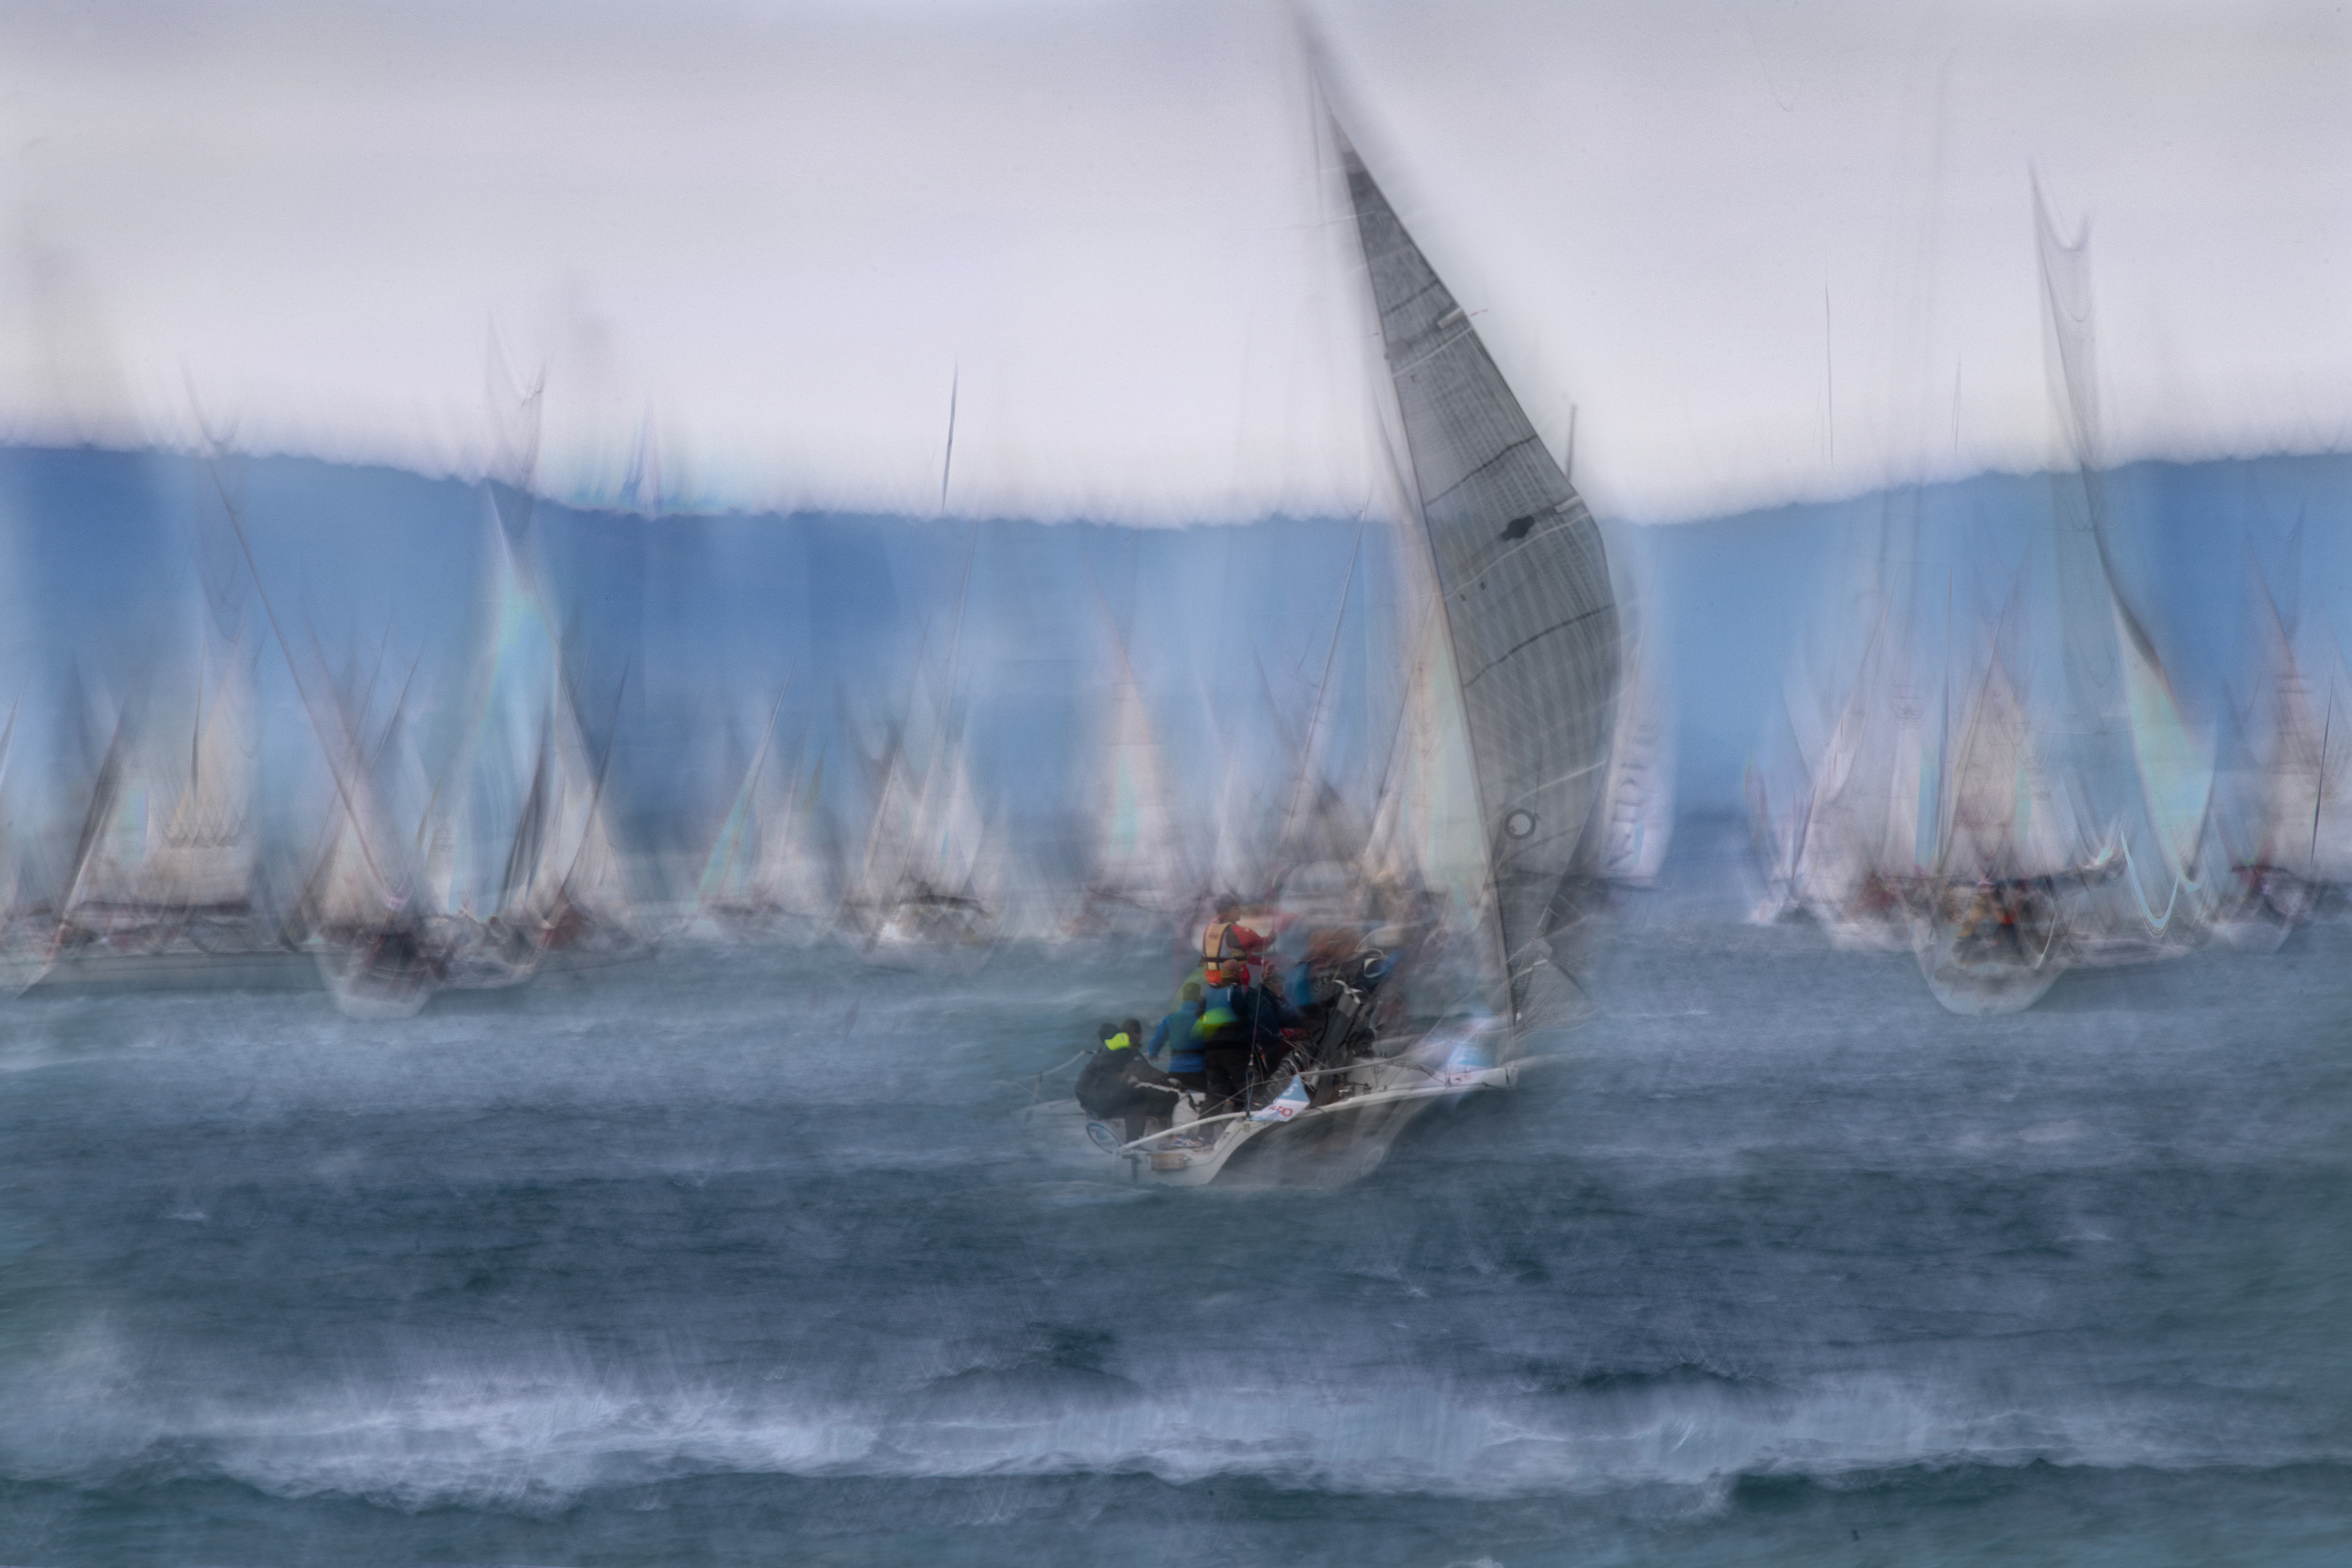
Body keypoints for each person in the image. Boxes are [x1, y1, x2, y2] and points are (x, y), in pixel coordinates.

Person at [1195, 961, 1306, 1118]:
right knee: (1251, 1088)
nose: (1242, 973)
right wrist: (1277, 1035)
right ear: (1236, 973)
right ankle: (1257, 1120)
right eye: (1240, 971)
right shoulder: (1245, 992)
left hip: (1211, 1050)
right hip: (1235, 1050)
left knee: (1216, 1092)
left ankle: (1203, 1129)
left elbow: (1199, 1015)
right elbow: (1265, 1017)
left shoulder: (1209, 993)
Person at [1074, 1019, 1179, 1144]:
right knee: (1139, 1103)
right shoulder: (1125, 1047)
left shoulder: (1104, 1049)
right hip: (1102, 1101)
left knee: (1134, 1095)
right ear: (1136, 1033)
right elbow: (1145, 1072)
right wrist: (1168, 1081)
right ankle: (1135, 1143)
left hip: (1087, 1101)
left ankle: (1134, 1140)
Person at [1147, 979, 1207, 1091]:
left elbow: (1158, 1039)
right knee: (1209, 1098)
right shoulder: (1204, 1019)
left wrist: (1152, 1053)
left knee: (1174, 1099)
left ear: (1183, 998)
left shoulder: (1170, 1019)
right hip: (1199, 1071)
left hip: (1176, 1071)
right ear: (1199, 998)